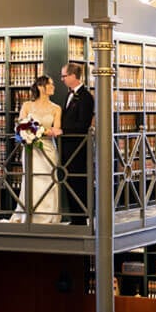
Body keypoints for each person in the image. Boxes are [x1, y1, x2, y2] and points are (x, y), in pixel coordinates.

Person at [8, 75, 62, 223]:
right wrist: (37, 131)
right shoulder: (27, 106)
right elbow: (20, 126)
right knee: (31, 180)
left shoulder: (56, 109)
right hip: (31, 149)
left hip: (48, 148)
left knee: (49, 179)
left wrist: (36, 130)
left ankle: (48, 215)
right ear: (40, 87)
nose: (53, 87)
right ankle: (29, 214)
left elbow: (56, 130)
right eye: (50, 84)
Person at [59, 63, 94, 224]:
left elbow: (83, 124)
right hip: (67, 147)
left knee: (78, 182)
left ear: (73, 76)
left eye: (64, 76)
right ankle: (75, 217)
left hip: (78, 148)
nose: (62, 79)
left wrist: (62, 131)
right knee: (69, 181)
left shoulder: (86, 97)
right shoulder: (69, 95)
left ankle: (80, 218)